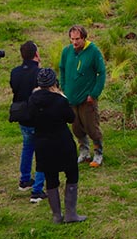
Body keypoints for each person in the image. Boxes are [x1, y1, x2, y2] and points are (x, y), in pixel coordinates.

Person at [28, 68, 86, 224]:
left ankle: (56, 215)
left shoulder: (33, 99)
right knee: (72, 174)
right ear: (54, 82)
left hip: (42, 144)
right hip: (62, 142)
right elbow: (70, 118)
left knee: (50, 177)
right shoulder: (60, 100)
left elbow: (30, 119)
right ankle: (71, 214)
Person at [59, 25, 106, 167]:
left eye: (77, 39)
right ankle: (84, 152)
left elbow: (101, 73)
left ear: (84, 38)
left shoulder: (93, 52)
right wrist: (64, 88)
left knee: (92, 126)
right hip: (71, 98)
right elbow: (62, 69)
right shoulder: (66, 52)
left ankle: (98, 153)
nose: (74, 42)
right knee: (76, 127)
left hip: (87, 99)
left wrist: (94, 93)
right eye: (72, 39)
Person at [9, 41, 46, 203]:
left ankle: (25, 180)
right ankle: (37, 190)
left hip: (22, 116)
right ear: (36, 54)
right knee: (43, 153)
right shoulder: (39, 73)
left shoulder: (15, 72)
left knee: (27, 146)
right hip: (37, 118)